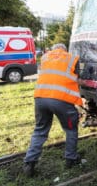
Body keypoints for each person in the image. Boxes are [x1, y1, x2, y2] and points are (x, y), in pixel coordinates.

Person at [23, 43, 83, 177]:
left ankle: (29, 163)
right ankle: (71, 159)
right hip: (61, 100)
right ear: (65, 49)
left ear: (54, 49)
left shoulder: (44, 57)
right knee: (71, 129)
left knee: (39, 130)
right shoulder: (72, 58)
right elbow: (78, 80)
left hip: (40, 98)